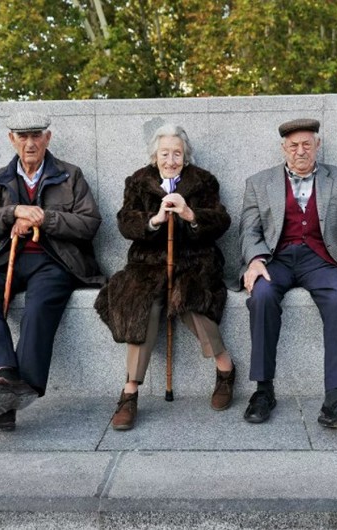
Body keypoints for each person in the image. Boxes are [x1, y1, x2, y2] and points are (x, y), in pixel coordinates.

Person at [0, 111, 104, 431]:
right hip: (4, 259)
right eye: (22, 136)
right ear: (11, 139)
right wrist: (12, 212)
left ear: (48, 138)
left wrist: (43, 218)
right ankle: (5, 377)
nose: (30, 143)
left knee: (40, 304)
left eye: (36, 135)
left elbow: (90, 225)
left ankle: (5, 396)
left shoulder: (70, 176)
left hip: (55, 260)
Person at [239, 118, 337, 431]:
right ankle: (263, 390)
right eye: (294, 146)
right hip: (275, 258)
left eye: (307, 144)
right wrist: (254, 260)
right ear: (284, 148)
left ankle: (336, 399)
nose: (301, 151)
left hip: (320, 259)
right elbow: (249, 230)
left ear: (317, 145)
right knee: (261, 297)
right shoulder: (259, 182)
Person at [95, 124, 234, 431]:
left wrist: (190, 215)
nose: (171, 160)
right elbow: (124, 221)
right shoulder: (139, 181)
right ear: (154, 156)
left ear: (185, 157)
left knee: (192, 298)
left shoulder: (203, 181)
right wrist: (154, 220)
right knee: (141, 303)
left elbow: (221, 220)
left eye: (177, 153)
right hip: (149, 262)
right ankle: (130, 391)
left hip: (194, 260)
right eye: (164, 153)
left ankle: (224, 367)